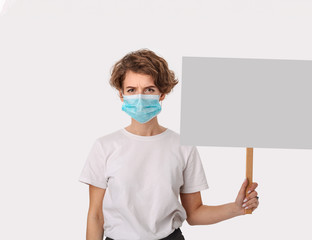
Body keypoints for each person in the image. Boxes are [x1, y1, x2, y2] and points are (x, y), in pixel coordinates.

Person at [78, 49, 259, 240]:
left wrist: (237, 208)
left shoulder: (183, 147)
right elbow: (96, 217)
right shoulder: (104, 147)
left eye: (149, 89)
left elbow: (195, 214)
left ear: (162, 93)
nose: (140, 97)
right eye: (131, 90)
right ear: (122, 95)